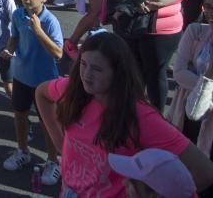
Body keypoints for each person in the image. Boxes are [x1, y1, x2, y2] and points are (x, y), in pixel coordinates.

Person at [36, 31, 213, 197]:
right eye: (83, 64)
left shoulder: (140, 116)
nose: (87, 74)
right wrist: (58, 141)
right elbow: (41, 93)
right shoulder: (74, 89)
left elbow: (204, 172)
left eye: (97, 69)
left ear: (117, 73)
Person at [113, 0, 189, 111]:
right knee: (133, 70)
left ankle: (157, 113)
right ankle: (135, 109)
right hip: (130, 27)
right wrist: (139, 1)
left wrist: (131, 0)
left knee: (154, 73)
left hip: (160, 32)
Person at [0, 0, 63, 186]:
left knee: (48, 123)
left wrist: (38, 31)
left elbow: (58, 54)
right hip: (21, 77)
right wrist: (10, 48)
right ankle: (22, 151)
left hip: (45, 82)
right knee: (20, 115)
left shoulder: (50, 21)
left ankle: (53, 161)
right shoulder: (18, 15)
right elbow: (15, 36)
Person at [170, 0, 213, 188]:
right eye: (208, 7)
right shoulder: (195, 31)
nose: (211, 12)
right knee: (186, 166)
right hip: (188, 108)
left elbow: (185, 73)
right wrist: (206, 84)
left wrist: (193, 74)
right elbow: (178, 73)